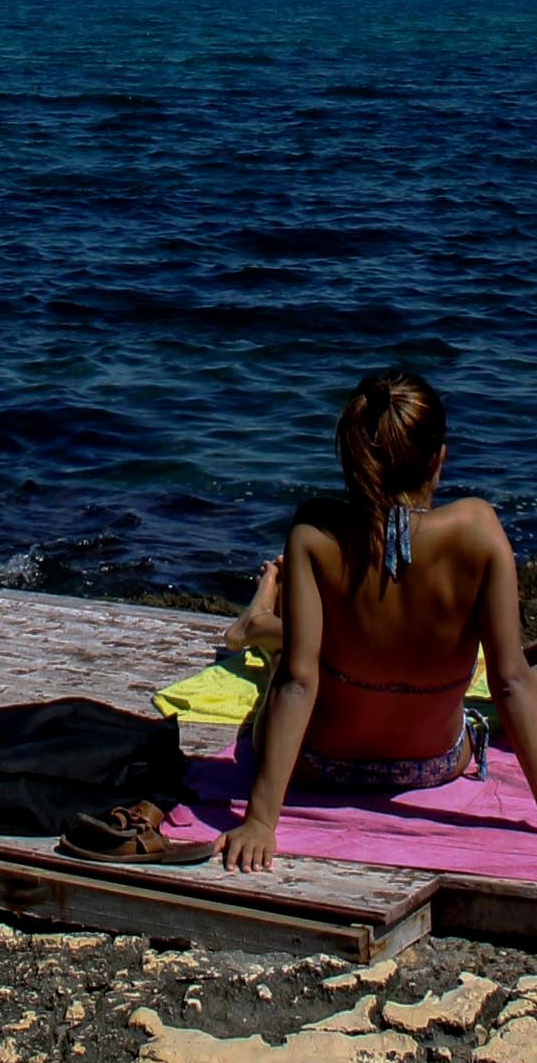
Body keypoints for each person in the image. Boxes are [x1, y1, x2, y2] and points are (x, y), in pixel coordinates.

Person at [216, 368, 537, 873]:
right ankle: (257, 622)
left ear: (353, 461)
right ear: (438, 459)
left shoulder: (313, 534)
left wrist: (261, 820)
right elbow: (512, 683)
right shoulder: (478, 530)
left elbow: (299, 684)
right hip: (433, 767)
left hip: (321, 765)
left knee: (291, 659)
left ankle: (255, 621)